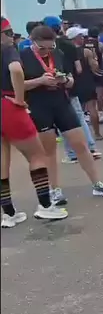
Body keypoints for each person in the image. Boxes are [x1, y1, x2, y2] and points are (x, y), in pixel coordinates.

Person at [20, 25, 103, 202]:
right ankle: (54, 189)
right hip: (39, 105)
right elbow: (18, 85)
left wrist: (64, 79)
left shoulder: (58, 54)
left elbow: (71, 79)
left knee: (80, 144)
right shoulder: (23, 56)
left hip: (61, 102)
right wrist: (40, 81)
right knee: (49, 150)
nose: (46, 52)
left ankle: (97, 183)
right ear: (32, 42)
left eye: (50, 47)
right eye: (42, 48)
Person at [1, 17, 68, 227]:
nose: (12, 37)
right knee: (37, 155)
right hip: (9, 103)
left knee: (2, 161)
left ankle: (8, 213)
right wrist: (20, 99)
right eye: (8, 33)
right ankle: (45, 206)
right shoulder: (8, 50)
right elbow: (16, 70)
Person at [61, 27, 103, 164]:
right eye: (81, 36)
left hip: (71, 85)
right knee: (83, 114)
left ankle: (74, 152)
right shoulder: (85, 51)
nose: (83, 38)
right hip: (82, 84)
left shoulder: (61, 50)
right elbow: (92, 67)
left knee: (74, 117)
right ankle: (92, 142)